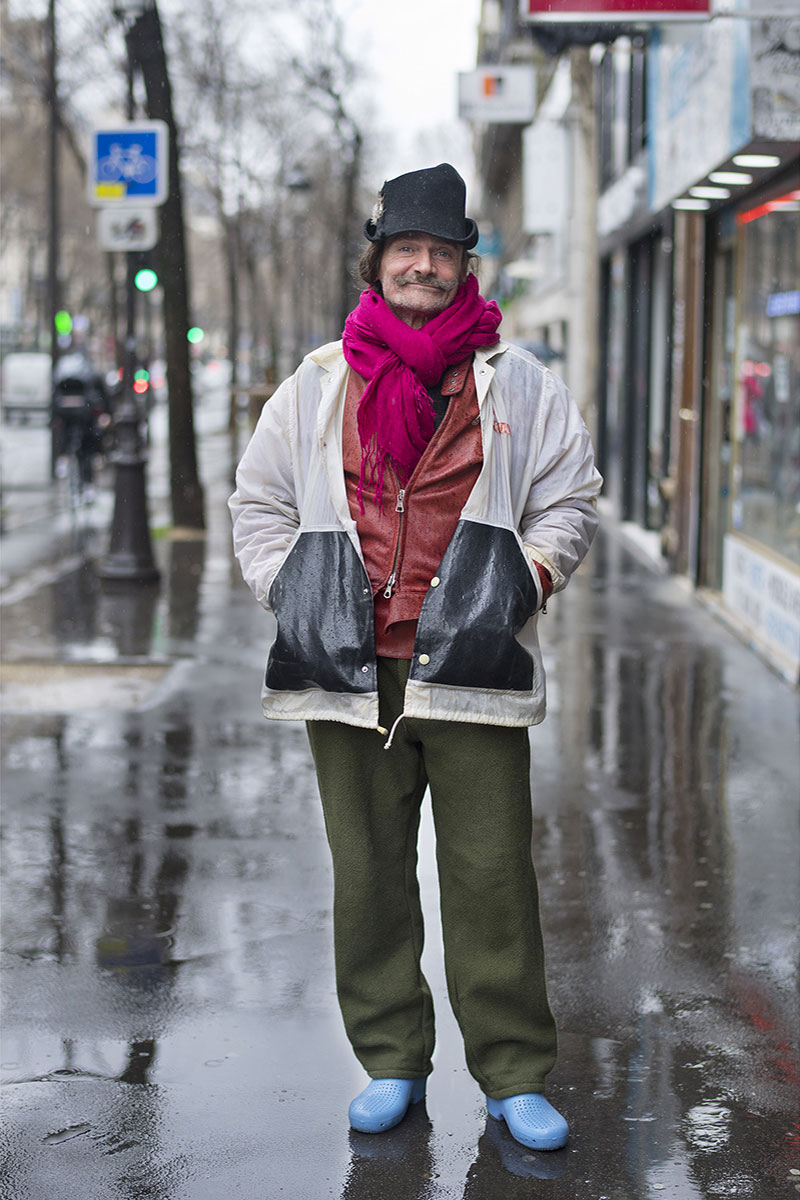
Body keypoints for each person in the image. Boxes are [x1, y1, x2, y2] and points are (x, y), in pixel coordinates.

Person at [229, 163, 602, 1152]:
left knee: (491, 876)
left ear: (463, 264)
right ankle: (391, 1058)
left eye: (441, 251)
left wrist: (524, 581)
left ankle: (512, 1073)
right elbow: (259, 503)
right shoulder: (317, 383)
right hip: (349, 671)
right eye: (407, 249)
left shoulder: (518, 381)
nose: (424, 266)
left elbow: (569, 496)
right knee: (368, 876)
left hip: (473, 666)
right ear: (379, 261)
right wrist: (291, 593)